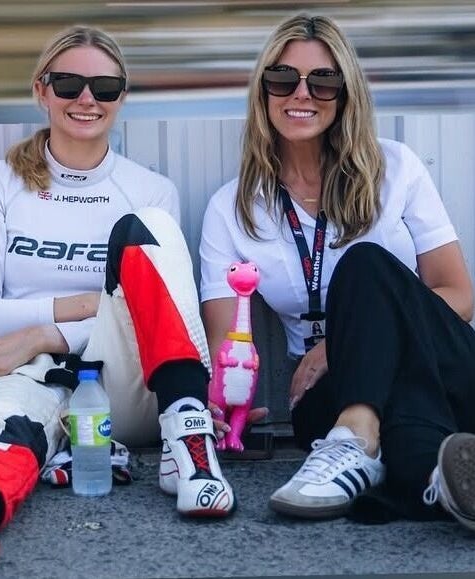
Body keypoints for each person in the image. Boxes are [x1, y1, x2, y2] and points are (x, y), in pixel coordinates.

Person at [0, 25, 259, 575]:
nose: (86, 99)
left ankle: (188, 446)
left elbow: (165, 308)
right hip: (26, 374)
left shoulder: (150, 190)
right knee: (0, 419)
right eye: (70, 82)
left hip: (125, 387)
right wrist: (87, 305)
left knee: (145, 228)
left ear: (122, 98)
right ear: (42, 90)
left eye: (104, 87)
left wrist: (40, 332)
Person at [200, 13, 475, 528]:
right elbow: (227, 348)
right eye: (283, 79)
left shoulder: (396, 169)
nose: (301, 93)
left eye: (322, 80)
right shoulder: (233, 208)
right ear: (264, 93)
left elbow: (458, 293)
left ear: (346, 92)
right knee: (404, 404)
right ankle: (436, 485)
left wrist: (341, 341)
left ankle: (354, 440)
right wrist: (221, 407)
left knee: (365, 264)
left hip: (441, 361)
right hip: (323, 397)